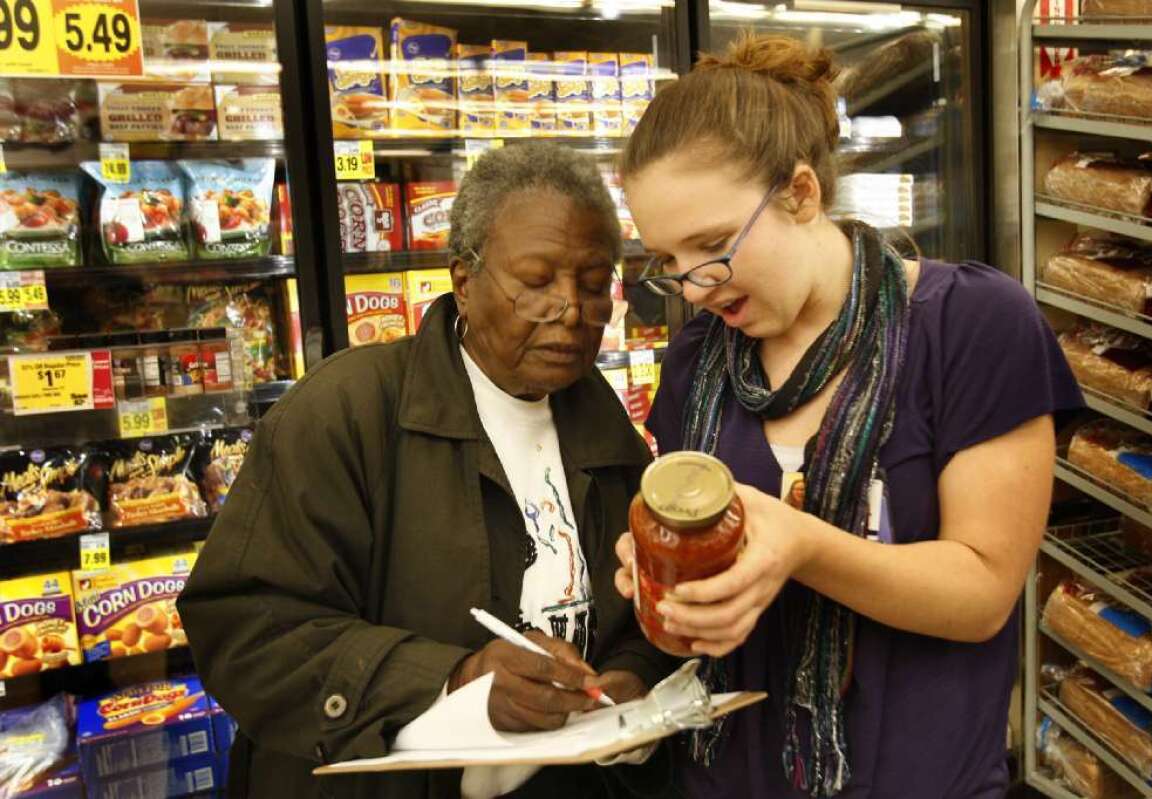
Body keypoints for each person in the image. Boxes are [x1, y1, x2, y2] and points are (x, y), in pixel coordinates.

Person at [612, 34, 1083, 799]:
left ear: (801, 193)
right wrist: (658, 565)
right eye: (668, 262)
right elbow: (691, 531)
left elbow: (984, 591)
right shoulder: (700, 358)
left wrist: (802, 545)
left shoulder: (969, 326)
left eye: (710, 246)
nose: (694, 288)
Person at [178, 142, 677, 799]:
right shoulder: (346, 410)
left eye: (593, 285)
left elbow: (641, 613)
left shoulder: (603, 422)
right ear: (463, 280)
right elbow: (246, 630)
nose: (572, 311)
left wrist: (629, 682)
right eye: (536, 281)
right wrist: (453, 679)